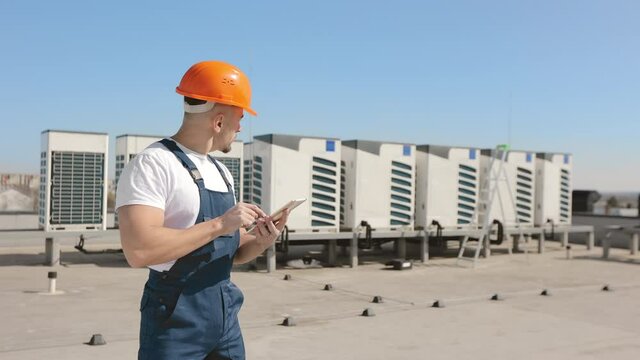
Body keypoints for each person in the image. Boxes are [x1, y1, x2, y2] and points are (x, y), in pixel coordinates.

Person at [116, 60, 288, 359]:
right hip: (175, 319)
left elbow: (227, 252)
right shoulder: (153, 164)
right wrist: (222, 223)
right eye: (240, 117)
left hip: (224, 313)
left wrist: (260, 239)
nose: (241, 127)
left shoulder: (221, 171)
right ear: (219, 122)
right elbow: (139, 250)